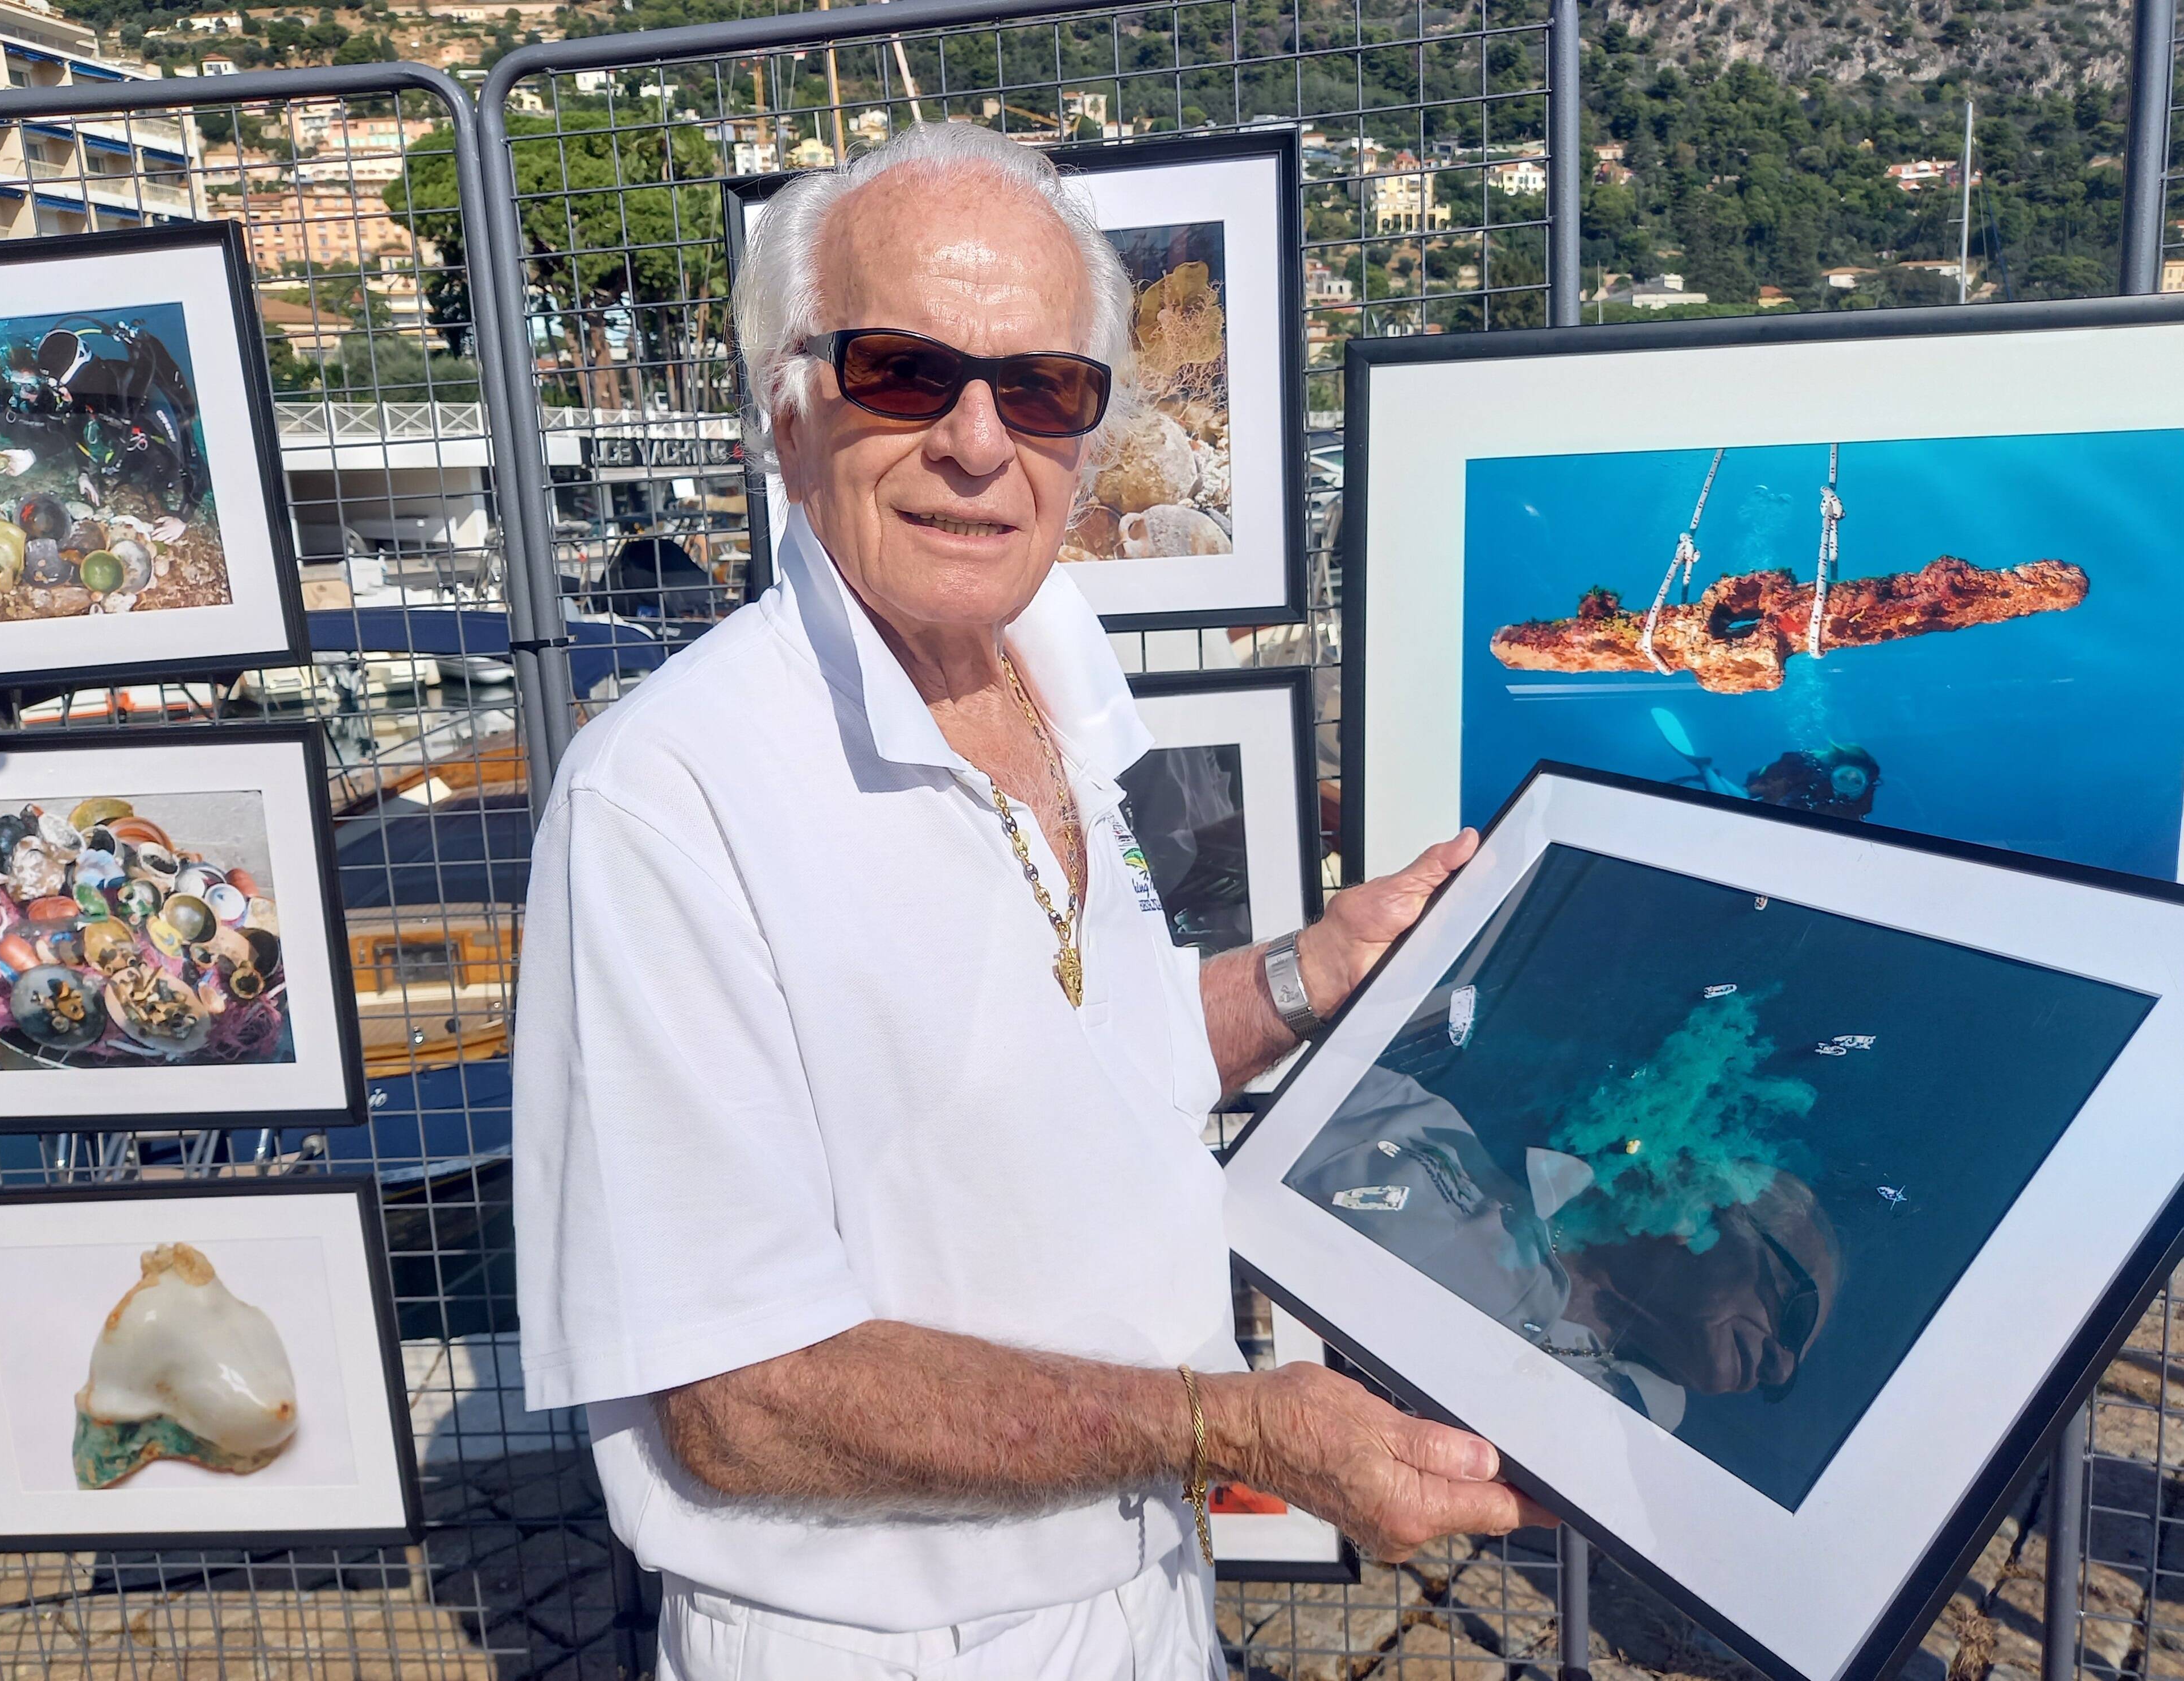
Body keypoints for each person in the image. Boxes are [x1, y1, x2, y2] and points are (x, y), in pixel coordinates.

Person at [510, 120, 1545, 1681]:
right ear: (787, 413)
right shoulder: (670, 794)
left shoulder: (1055, 687)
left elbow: (1068, 1072)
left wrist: (1307, 975)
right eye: (903, 371)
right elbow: (733, 1399)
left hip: (1140, 1587)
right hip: (881, 1644)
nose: (979, 442)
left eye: (1042, 386)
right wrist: (1228, 1424)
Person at [1288, 1065, 1840, 1424]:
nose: (1780, 1371)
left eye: (1787, 1378)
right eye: (1796, 1312)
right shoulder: (1415, 1124)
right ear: (1706, 1207)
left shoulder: (1622, 1432)